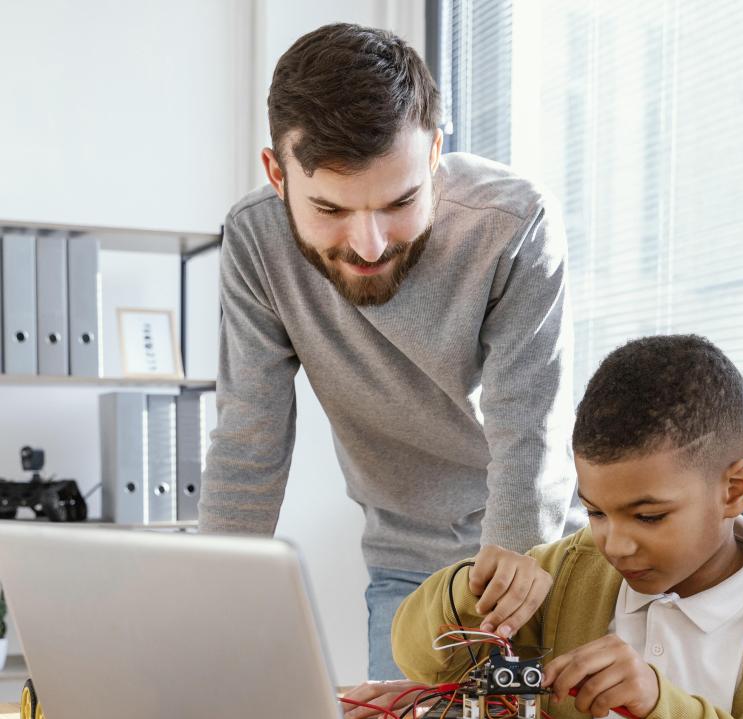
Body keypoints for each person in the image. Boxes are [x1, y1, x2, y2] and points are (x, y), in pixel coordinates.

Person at [198, 23, 576, 679]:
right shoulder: (256, 243)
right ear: (276, 174)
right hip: (406, 557)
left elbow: (529, 422)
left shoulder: (514, 227)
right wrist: (214, 601)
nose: (369, 244)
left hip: (533, 553)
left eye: (399, 202)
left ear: (433, 153)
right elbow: (247, 438)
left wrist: (521, 556)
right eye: (332, 210)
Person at [347, 334, 743, 719]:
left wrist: (664, 708)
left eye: (648, 516)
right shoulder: (574, 568)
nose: (615, 545)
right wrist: (469, 588)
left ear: (734, 490)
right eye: (595, 511)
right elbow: (418, 659)